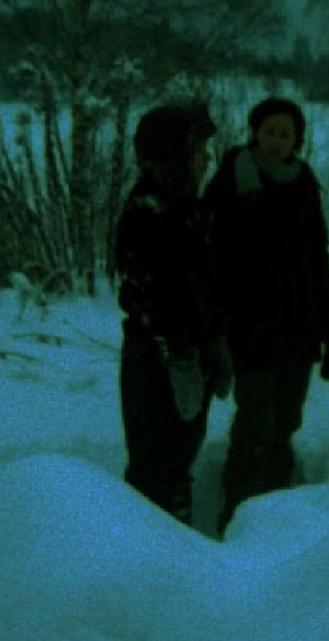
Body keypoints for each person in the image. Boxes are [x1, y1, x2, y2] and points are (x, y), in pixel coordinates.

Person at [204, 95, 329, 534]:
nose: (275, 141)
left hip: (298, 330)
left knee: (285, 423)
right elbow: (209, 259)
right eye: (269, 131)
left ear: (297, 140)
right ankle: (235, 518)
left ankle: (274, 522)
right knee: (255, 426)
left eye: (285, 134)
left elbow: (317, 261)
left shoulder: (304, 184)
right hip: (248, 329)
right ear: (255, 133)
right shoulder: (231, 180)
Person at [115, 102, 232, 525]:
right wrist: (191, 347)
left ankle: (172, 554)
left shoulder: (186, 208)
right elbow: (162, 299)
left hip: (183, 360)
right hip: (160, 361)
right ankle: (149, 564)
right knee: (155, 474)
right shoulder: (150, 214)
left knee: (178, 462)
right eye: (198, 148)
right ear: (175, 154)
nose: (207, 157)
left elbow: (205, 287)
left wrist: (211, 346)